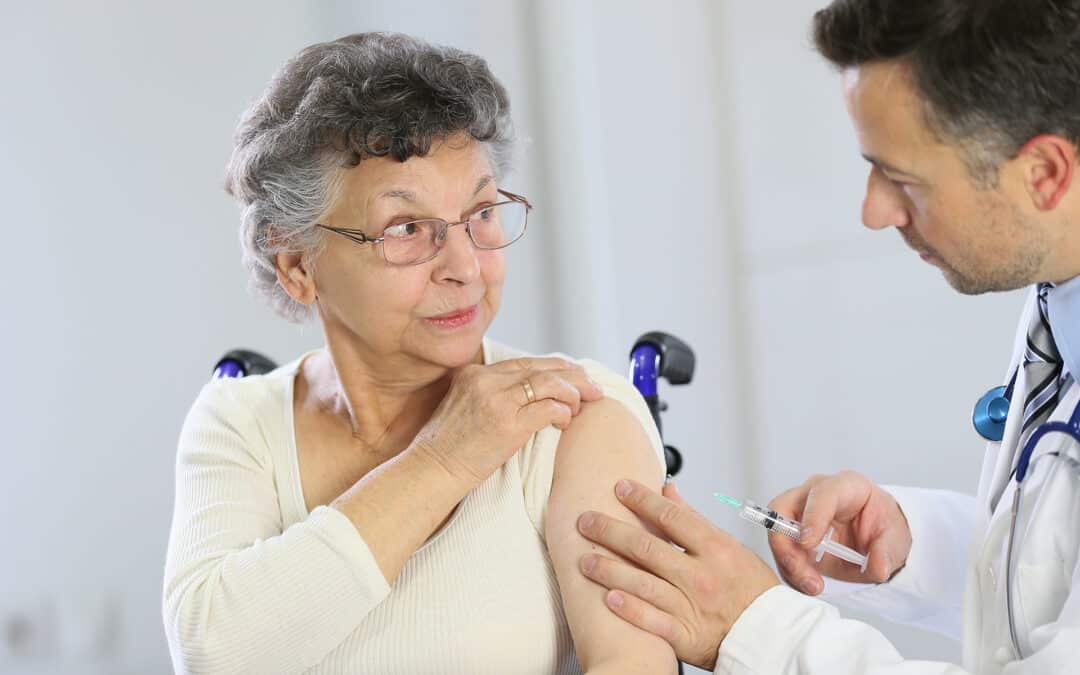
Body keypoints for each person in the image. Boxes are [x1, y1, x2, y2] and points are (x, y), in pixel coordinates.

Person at [573, 1, 1080, 673]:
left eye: (901, 180)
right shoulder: (1058, 299)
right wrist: (912, 543)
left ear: (1045, 174)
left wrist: (760, 632)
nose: (873, 211)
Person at [162, 32, 677, 674]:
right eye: (406, 229)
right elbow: (214, 652)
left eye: (482, 211)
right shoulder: (238, 421)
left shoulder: (575, 415)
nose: (465, 266)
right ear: (297, 267)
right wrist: (444, 457)